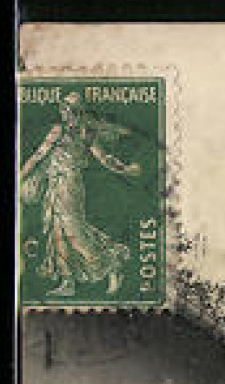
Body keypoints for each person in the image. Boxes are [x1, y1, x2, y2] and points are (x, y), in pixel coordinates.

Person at [19, 91, 142, 298]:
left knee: (74, 231)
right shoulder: (57, 131)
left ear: (80, 112)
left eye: (73, 110)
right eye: (65, 109)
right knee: (56, 230)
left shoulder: (86, 134)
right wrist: (19, 176)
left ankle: (111, 264)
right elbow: (38, 155)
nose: (68, 114)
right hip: (54, 185)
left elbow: (104, 159)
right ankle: (68, 281)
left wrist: (126, 169)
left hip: (70, 186)